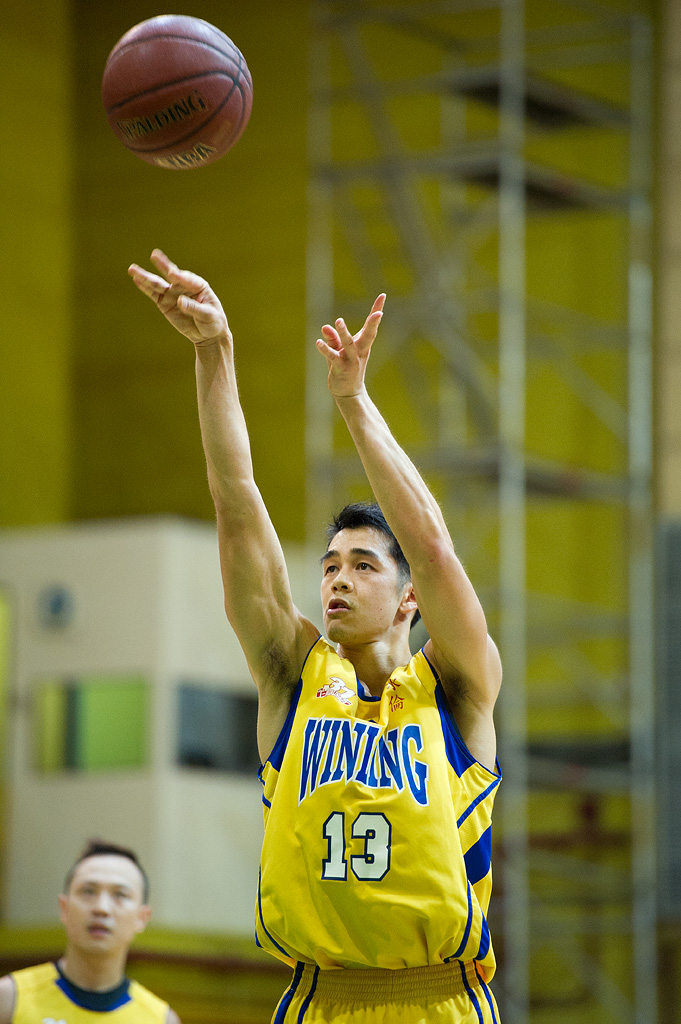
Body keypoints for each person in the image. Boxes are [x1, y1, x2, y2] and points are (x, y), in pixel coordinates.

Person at [129, 250, 503, 1023]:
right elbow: (236, 503)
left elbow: (432, 547)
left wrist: (353, 401)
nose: (337, 579)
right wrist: (214, 351)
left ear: (408, 600)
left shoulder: (455, 685)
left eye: (363, 566)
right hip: (317, 997)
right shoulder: (293, 674)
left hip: (439, 998)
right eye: (329, 565)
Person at [0, 840, 181, 1024]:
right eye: (88, 891)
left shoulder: (161, 1019)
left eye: (120, 895)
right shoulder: (9, 999)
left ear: (142, 918)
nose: (101, 908)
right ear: (64, 908)